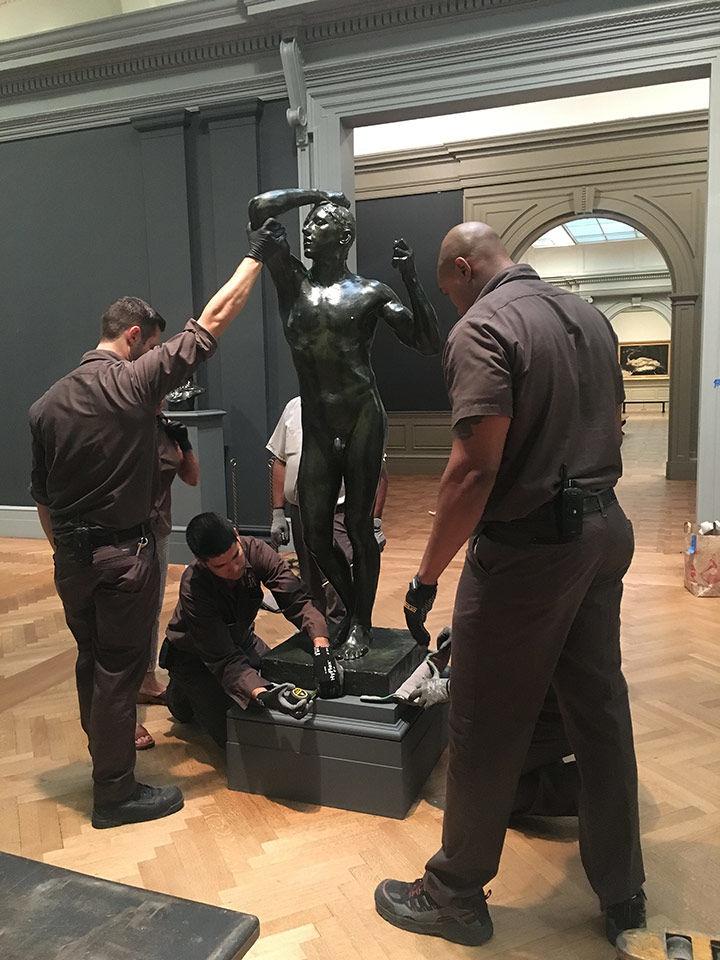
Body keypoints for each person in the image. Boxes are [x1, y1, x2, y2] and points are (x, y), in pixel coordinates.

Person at [375, 222, 645, 947]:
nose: (452, 306)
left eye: (447, 289)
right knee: (600, 711)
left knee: (483, 720)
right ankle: (624, 891)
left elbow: (472, 468)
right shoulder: (586, 314)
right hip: (604, 530)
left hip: (531, 551)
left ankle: (455, 893)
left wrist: (427, 575)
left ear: (463, 268)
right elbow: (615, 422)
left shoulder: (484, 327)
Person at [28, 218, 287, 829]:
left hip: (71, 557)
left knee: (91, 660)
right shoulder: (132, 383)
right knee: (121, 669)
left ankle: (105, 754)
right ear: (137, 337)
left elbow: (41, 499)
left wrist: (66, 550)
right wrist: (257, 256)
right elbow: (214, 321)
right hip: (123, 558)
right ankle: (114, 793)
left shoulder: (45, 406)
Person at [249, 188, 440, 660]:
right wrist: (317, 195)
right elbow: (260, 209)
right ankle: (357, 607)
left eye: (319, 223)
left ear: (344, 235)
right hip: (315, 419)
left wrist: (411, 279)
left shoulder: (372, 292)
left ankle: (359, 623)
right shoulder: (292, 282)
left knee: (357, 524)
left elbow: (427, 341)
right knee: (314, 533)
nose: (307, 230)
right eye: (308, 224)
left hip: (361, 415)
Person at [162, 512, 343, 748]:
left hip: (242, 640)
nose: (234, 568)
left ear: (237, 537)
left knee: (283, 680)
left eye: (236, 556)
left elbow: (297, 601)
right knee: (239, 740)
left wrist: (321, 647)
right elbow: (223, 658)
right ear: (203, 562)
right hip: (195, 655)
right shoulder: (193, 586)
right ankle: (180, 692)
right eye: (221, 566)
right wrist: (263, 694)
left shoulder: (257, 551)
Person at [266, 395, 389, 636]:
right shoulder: (294, 406)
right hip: (301, 511)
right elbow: (280, 460)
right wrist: (278, 512)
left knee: (339, 583)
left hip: (339, 513)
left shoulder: (360, 408)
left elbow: (379, 471)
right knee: (311, 578)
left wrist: (375, 521)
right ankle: (319, 633)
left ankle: (345, 632)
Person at [134, 413, 200, 752]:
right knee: (126, 617)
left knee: (151, 607)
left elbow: (191, 477)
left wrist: (183, 443)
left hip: (157, 530)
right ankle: (122, 715)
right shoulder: (123, 421)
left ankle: (145, 679)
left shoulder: (164, 425)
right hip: (125, 535)